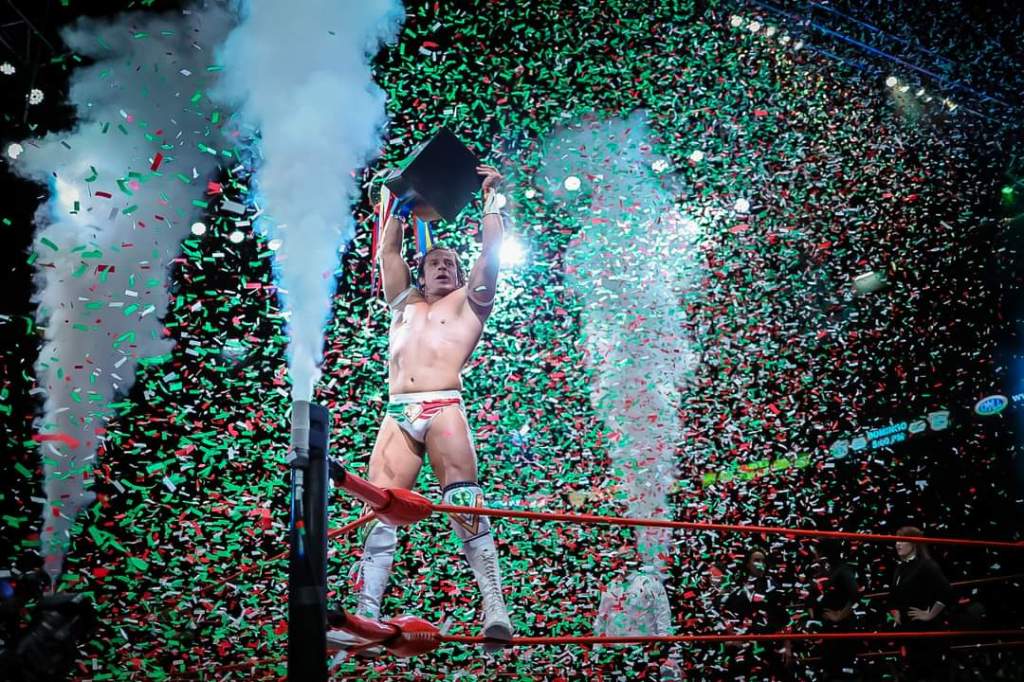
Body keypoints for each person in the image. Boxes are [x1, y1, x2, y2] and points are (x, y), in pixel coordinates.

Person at [329, 163, 511, 654]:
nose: (444, 267)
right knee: (379, 510)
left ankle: (495, 607)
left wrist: (491, 199)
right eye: (435, 262)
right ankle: (366, 617)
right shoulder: (403, 302)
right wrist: (400, 205)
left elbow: (490, 255)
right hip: (398, 410)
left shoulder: (470, 302)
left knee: (464, 502)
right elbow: (388, 252)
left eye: (451, 262)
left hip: (443, 404)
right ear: (422, 271)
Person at [889, 526, 953, 681]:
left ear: (914, 543)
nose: (897, 544)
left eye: (902, 540)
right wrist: (895, 611)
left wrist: (930, 614)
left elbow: (946, 591)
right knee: (913, 670)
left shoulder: (926, 565)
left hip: (925, 631)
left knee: (928, 670)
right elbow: (894, 595)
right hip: (908, 629)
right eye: (896, 540)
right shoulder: (900, 567)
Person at [722, 547, 793, 680]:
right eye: (756, 560)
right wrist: (732, 638)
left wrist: (787, 646)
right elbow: (727, 615)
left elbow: (784, 617)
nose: (760, 564)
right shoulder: (737, 587)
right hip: (745, 647)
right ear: (748, 564)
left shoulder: (773, 587)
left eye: (763, 561)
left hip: (768, 644)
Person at [808, 539, 860, 681]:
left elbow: (856, 595)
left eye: (818, 553)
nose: (816, 556)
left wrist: (840, 615)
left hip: (842, 627)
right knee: (829, 668)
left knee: (841, 668)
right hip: (828, 628)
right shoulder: (826, 570)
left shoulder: (842, 569)